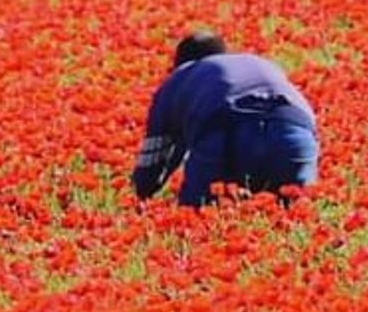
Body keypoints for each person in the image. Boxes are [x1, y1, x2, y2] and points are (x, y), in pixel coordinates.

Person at [131, 29, 319, 206]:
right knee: (292, 208)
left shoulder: (181, 76)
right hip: (295, 131)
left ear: (180, 62)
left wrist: (143, 196)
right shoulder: (257, 62)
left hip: (227, 131)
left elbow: (157, 152)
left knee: (198, 214)